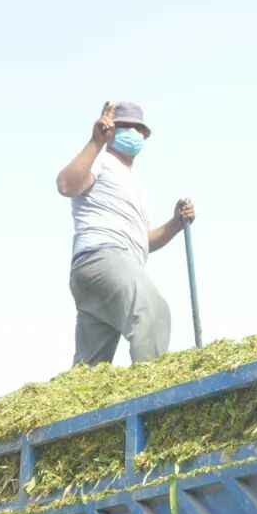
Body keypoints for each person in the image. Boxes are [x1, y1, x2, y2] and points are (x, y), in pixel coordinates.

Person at [56, 101, 195, 366]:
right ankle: (150, 391)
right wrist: (95, 143)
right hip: (104, 258)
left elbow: (143, 241)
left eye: (138, 128)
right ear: (111, 131)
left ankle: (78, 407)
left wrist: (175, 224)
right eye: (125, 126)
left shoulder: (135, 184)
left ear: (144, 135)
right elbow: (66, 184)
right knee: (153, 312)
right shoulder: (101, 161)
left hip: (101, 270)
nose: (133, 132)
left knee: (90, 371)